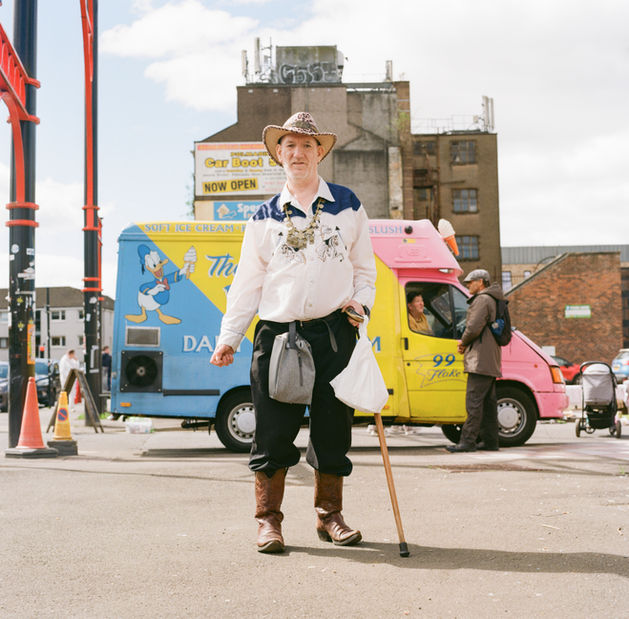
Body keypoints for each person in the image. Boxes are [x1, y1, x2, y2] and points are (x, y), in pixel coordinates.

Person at [210, 112, 377, 554]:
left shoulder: (348, 205)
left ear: (319, 152)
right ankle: (268, 521)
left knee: (333, 430)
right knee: (272, 431)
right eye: (289, 146)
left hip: (335, 332)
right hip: (279, 336)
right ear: (279, 155)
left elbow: (365, 271)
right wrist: (229, 337)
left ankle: (329, 516)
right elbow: (247, 283)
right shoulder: (263, 217)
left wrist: (362, 303)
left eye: (307, 145)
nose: (298, 153)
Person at [446, 269, 504, 453]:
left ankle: (468, 441)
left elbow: (473, 327)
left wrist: (463, 343)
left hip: (480, 359)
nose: (468, 285)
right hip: (490, 358)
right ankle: (491, 441)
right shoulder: (493, 299)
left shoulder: (482, 300)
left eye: (470, 282)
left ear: (481, 282)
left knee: (474, 402)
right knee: (488, 404)